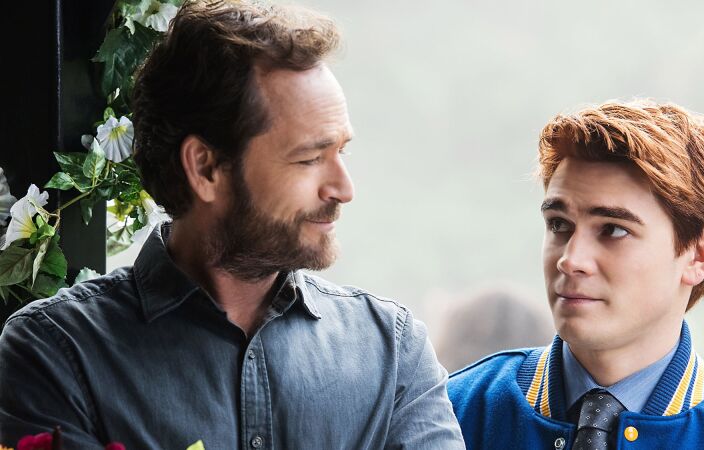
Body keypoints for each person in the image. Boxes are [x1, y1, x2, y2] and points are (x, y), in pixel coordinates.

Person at [0, 2, 464, 449]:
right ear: (205, 168)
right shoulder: (55, 353)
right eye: (309, 158)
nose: (344, 189)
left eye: (340, 151)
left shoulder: (393, 352)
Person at [447, 100, 704, 449]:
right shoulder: (452, 414)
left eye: (613, 230)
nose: (570, 260)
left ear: (700, 253)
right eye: (559, 224)